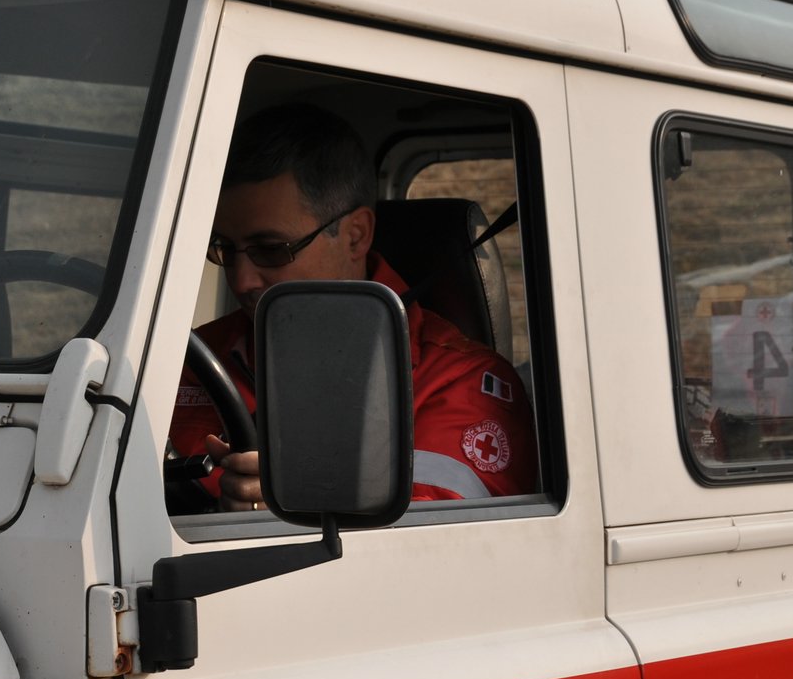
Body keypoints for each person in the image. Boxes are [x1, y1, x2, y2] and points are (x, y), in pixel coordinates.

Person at [170, 104, 539, 512]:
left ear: (355, 236)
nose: (241, 281)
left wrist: (287, 510)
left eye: (271, 250)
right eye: (224, 249)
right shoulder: (188, 360)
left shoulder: (462, 385)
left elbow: (439, 550)